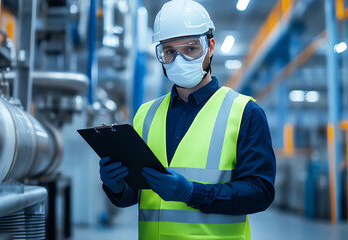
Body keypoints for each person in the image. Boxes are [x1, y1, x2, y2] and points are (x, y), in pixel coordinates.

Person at [99, 0, 276, 239]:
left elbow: (260, 193)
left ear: (210, 46)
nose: (179, 60)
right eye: (170, 51)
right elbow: (137, 194)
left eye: (190, 49)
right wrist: (116, 186)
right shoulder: (145, 114)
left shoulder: (245, 112)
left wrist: (191, 193)